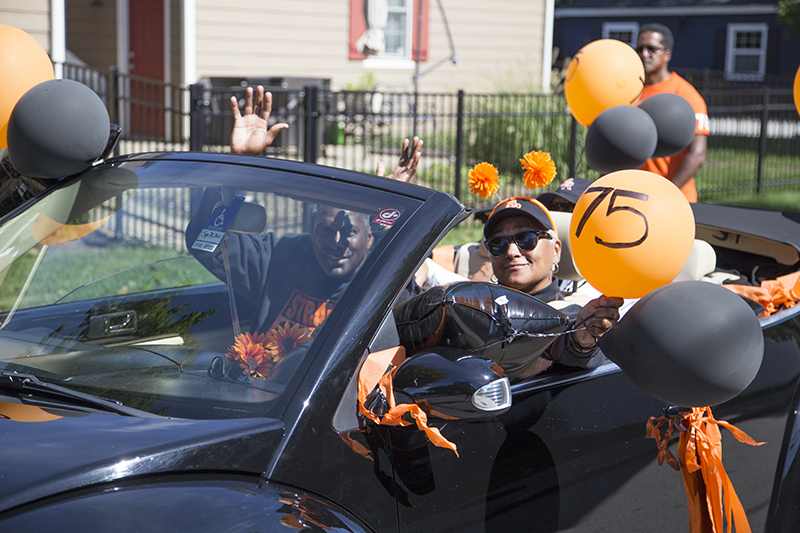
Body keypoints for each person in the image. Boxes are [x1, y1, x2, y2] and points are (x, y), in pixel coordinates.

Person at [483, 196, 623, 368]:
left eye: (526, 239)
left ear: (556, 251)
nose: (512, 252)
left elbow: (565, 340)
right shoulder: (476, 307)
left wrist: (580, 340)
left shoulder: (567, 314)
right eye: (498, 243)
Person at [636, 23, 710, 203]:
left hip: (674, 201)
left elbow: (698, 154)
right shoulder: (629, 90)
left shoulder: (685, 94)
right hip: (634, 197)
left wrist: (669, 193)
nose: (644, 54)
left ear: (667, 54)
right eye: (640, 48)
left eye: (652, 49)